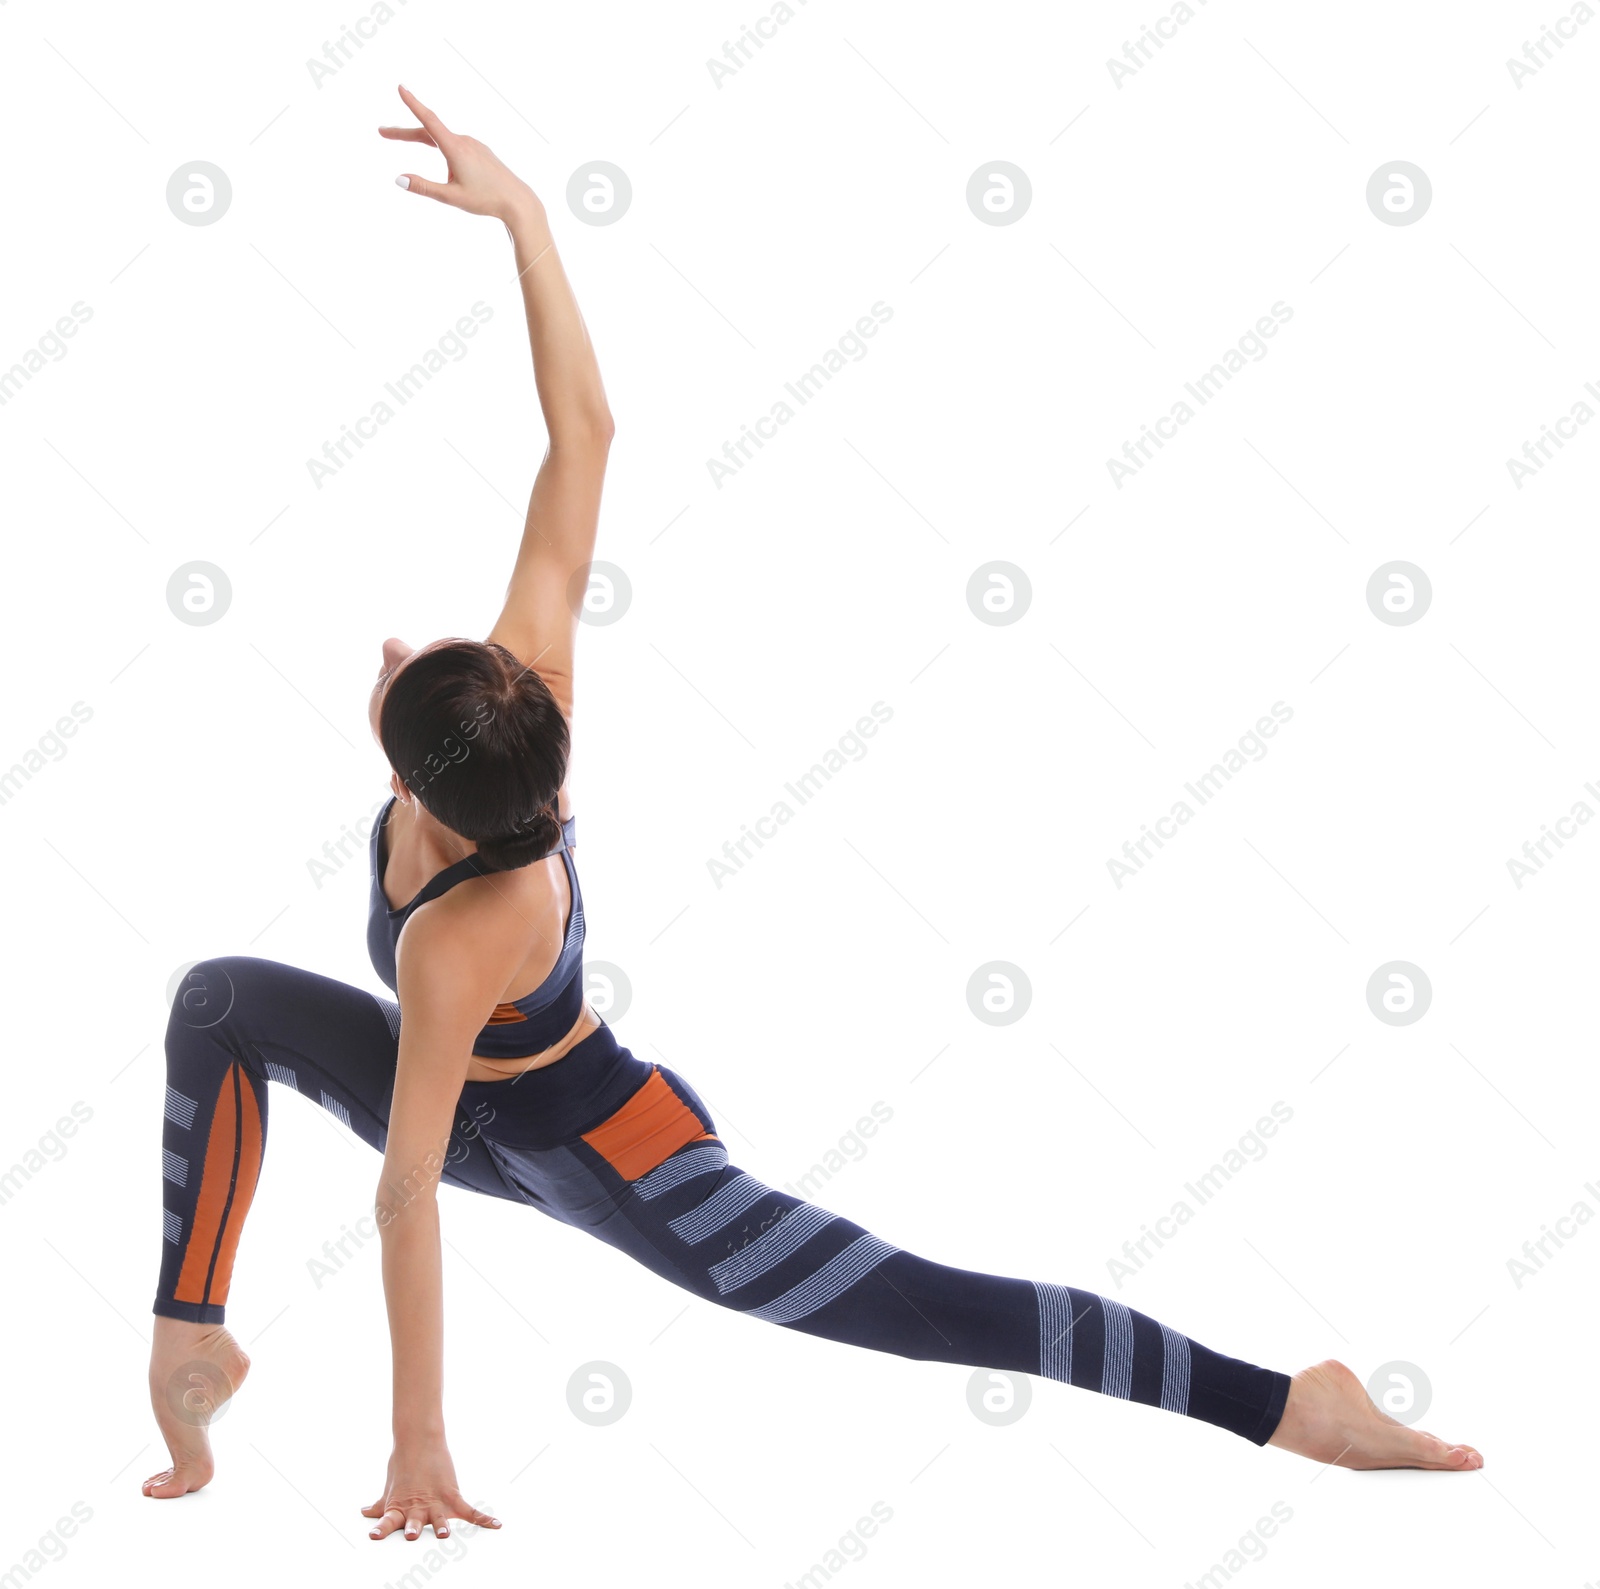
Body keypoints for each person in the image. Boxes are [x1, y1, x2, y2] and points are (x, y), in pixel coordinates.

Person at [142, 86, 1483, 1539]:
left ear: (413, 785)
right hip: (479, 1110)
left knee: (923, 1307)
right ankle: (192, 1334)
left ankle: (1291, 1402)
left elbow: (406, 1196)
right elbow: (584, 429)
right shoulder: (532, 694)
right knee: (219, 1001)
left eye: (406, 672)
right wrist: (520, 218)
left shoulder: (464, 933)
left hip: (606, 1151)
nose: (405, 650)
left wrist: (420, 1437)